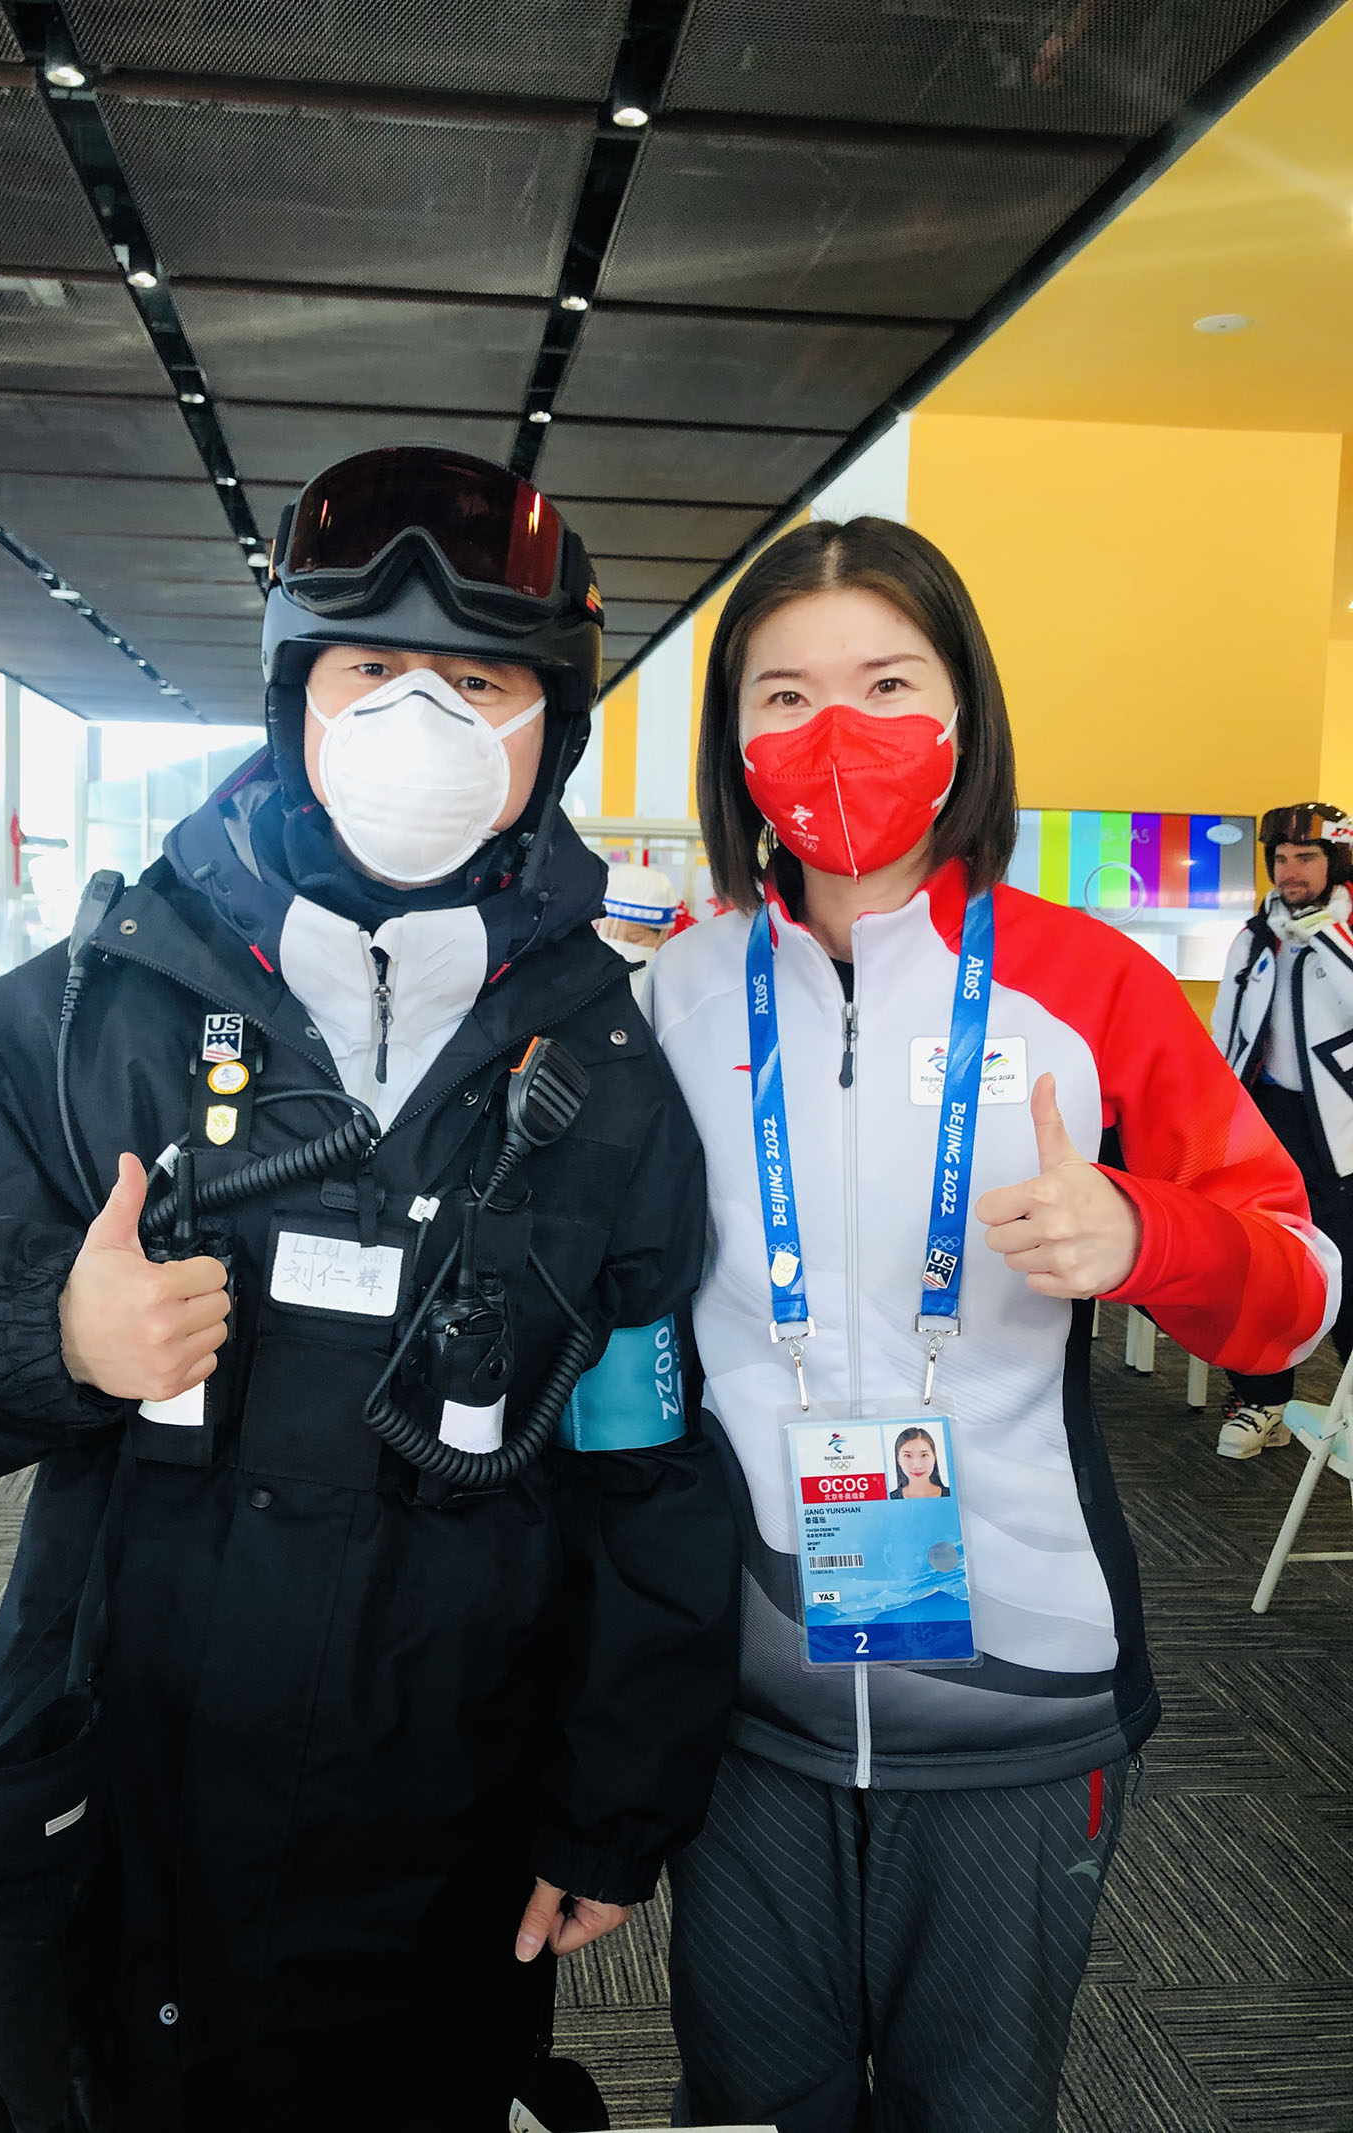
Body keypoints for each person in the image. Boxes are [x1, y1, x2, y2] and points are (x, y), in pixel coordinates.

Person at [0, 446, 739, 2133]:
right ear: (296, 694)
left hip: (440, 1812)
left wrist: (615, 1800)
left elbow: (644, 1463)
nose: (418, 717)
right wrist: (54, 1329)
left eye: (477, 681)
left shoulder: (604, 1069)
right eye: (372, 668)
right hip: (111, 1792)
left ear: (553, 728)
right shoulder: (95, 1006)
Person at [645, 516, 1338, 2133]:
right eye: (785, 693)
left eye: (887, 682)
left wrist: (1145, 1231)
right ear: (733, 737)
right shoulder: (673, 996)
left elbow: (1303, 1280)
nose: (836, 729)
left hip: (1021, 1678)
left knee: (974, 2103)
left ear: (963, 709)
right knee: (748, 2099)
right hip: (736, 1683)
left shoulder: (1086, 985)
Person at [1211, 802, 1353, 1457]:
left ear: (1336, 863)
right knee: (1257, 1268)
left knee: (1347, 1271)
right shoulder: (1255, 935)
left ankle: (1346, 1405)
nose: (1290, 871)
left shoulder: (1342, 931)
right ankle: (1261, 1399)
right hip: (1264, 1122)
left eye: (1306, 857)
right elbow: (1227, 1026)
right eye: (1281, 858)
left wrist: (1326, 935)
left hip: (1339, 1136)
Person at [597, 859, 681, 996]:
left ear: (663, 937)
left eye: (633, 938)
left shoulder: (673, 988)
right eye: (609, 933)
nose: (618, 946)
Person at [888, 1425, 947, 1499]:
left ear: (934, 1456)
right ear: (898, 1459)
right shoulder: (890, 1499)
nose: (917, 1465)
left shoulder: (952, 1494)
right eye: (908, 1456)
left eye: (924, 1455)